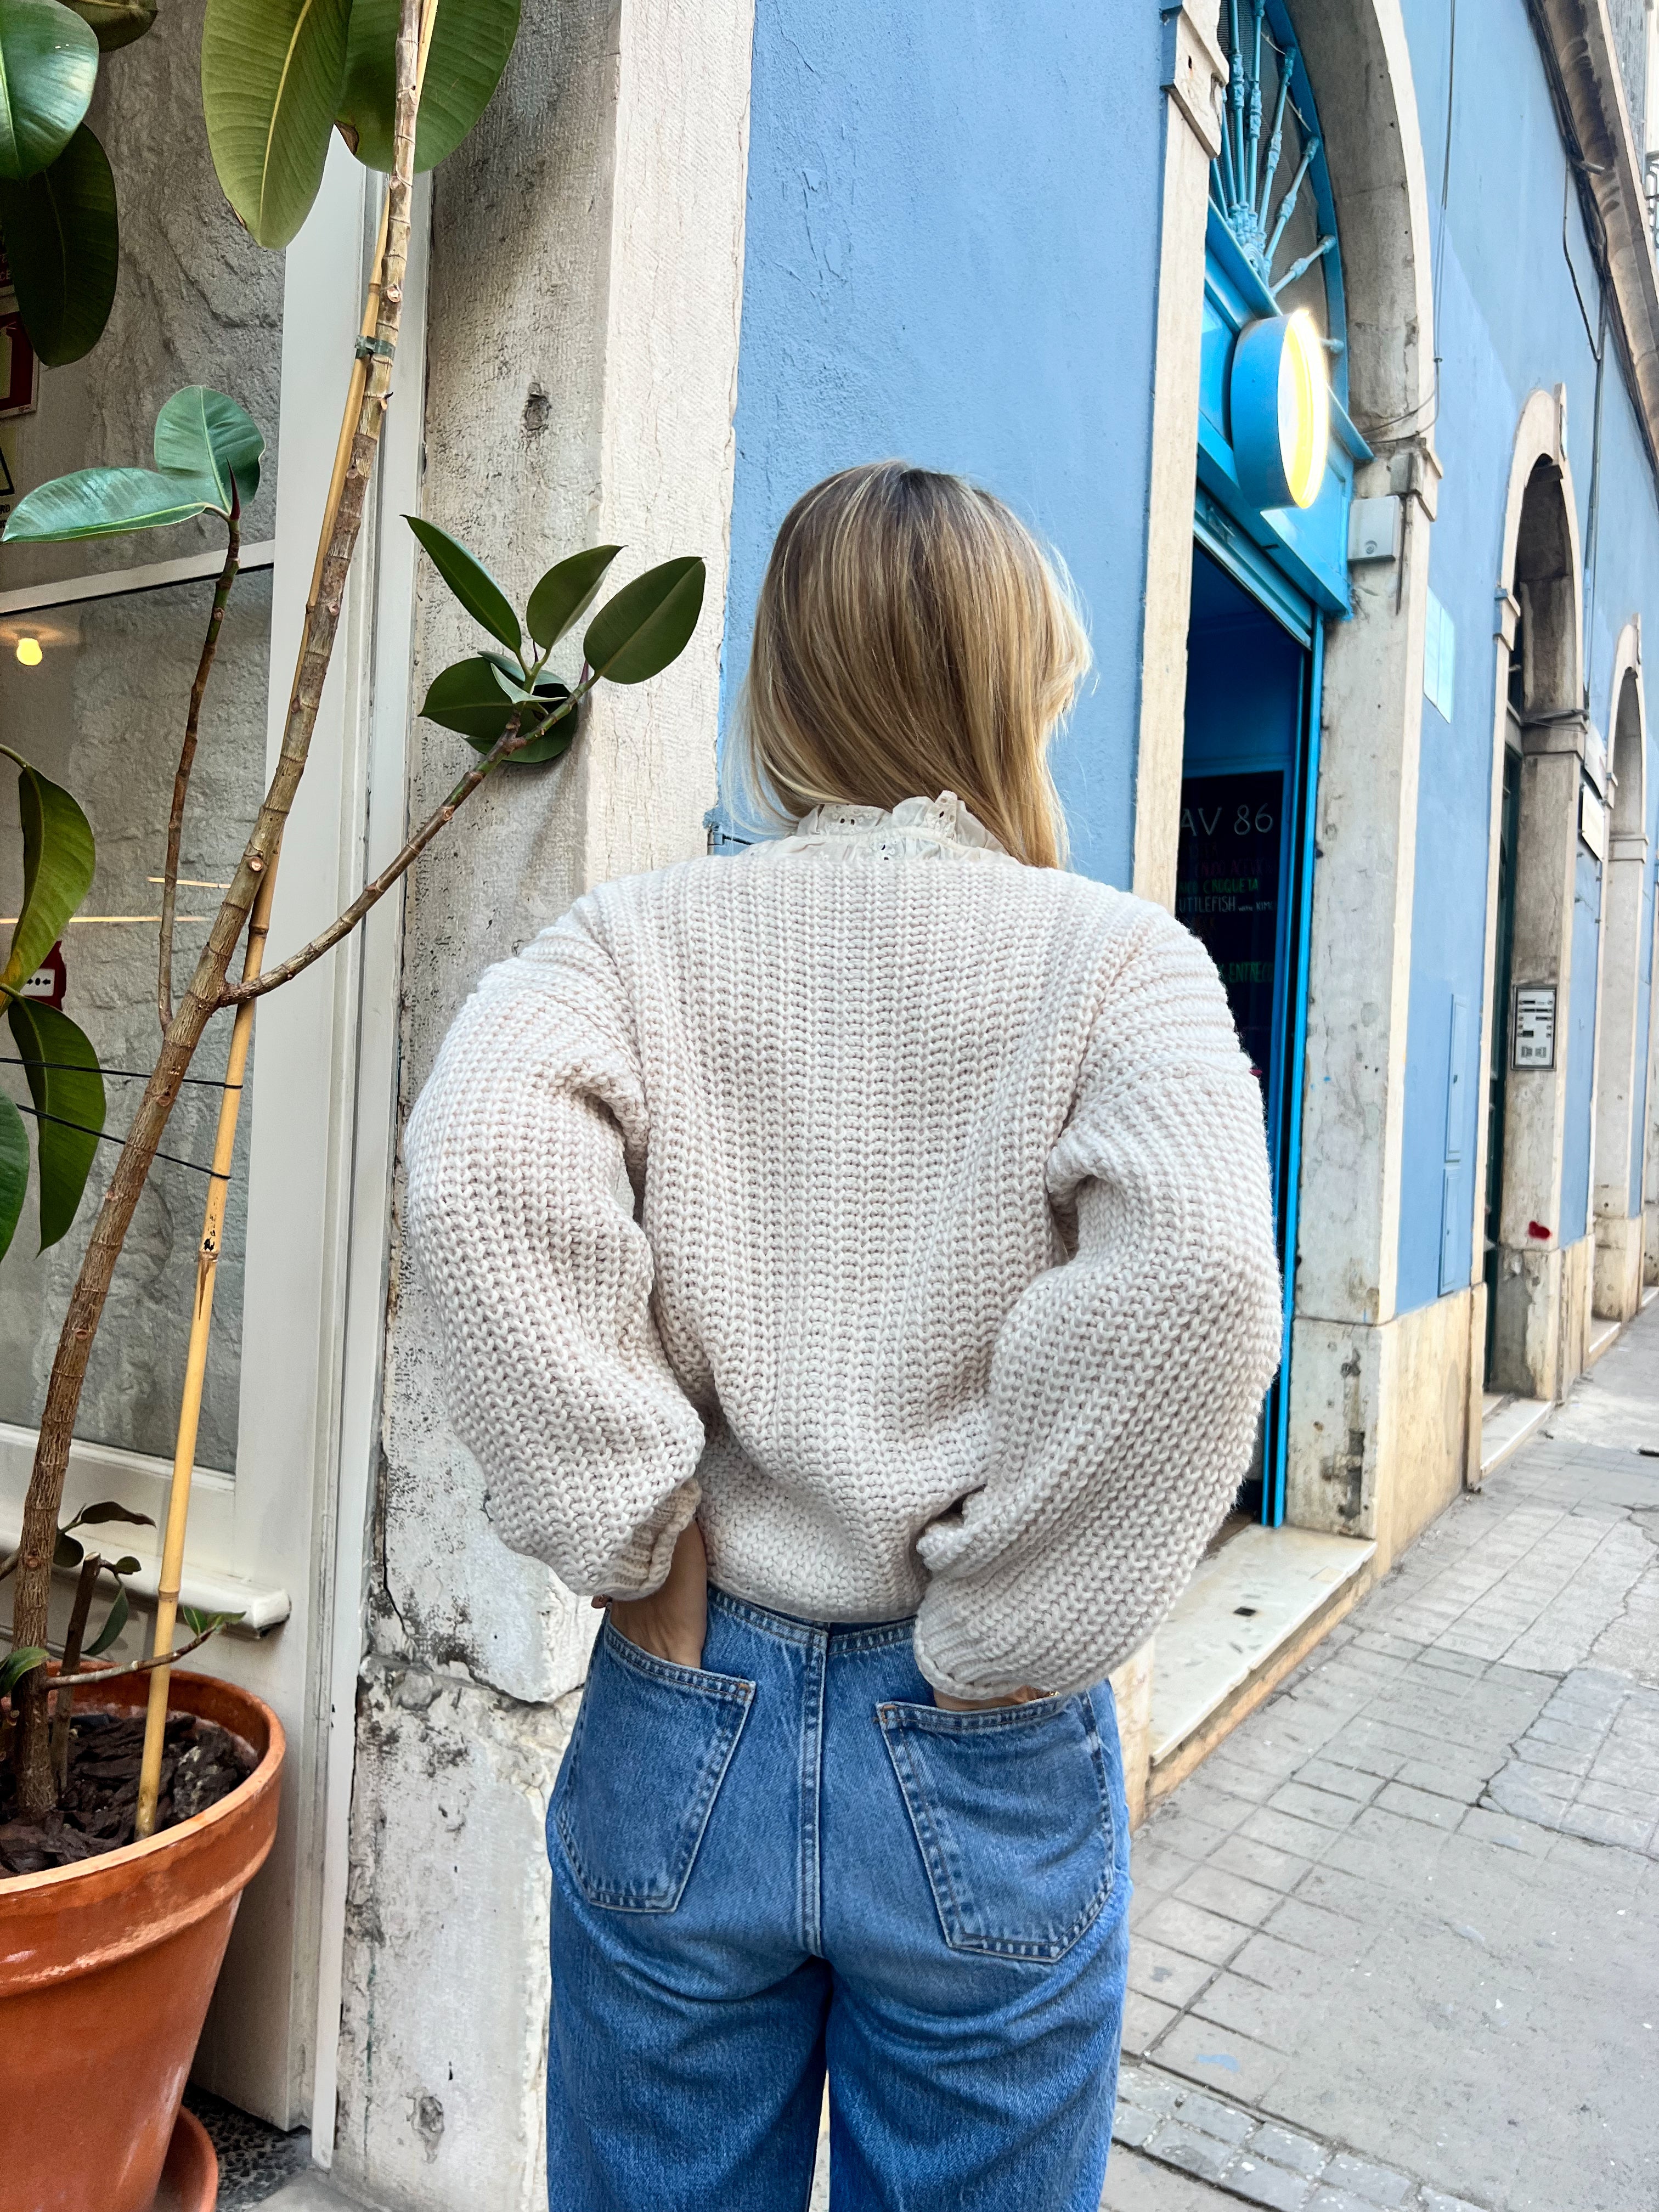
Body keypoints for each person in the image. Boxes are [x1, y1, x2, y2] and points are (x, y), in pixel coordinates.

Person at [405, 461, 1282, 2212]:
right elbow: (1200, 1278)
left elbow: (478, 1161)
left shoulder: (635, 939)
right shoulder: (1120, 965)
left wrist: (633, 1530)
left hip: (687, 1705)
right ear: (1003, 694)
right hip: (982, 1746)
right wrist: (1017, 1616)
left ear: (784, 693)